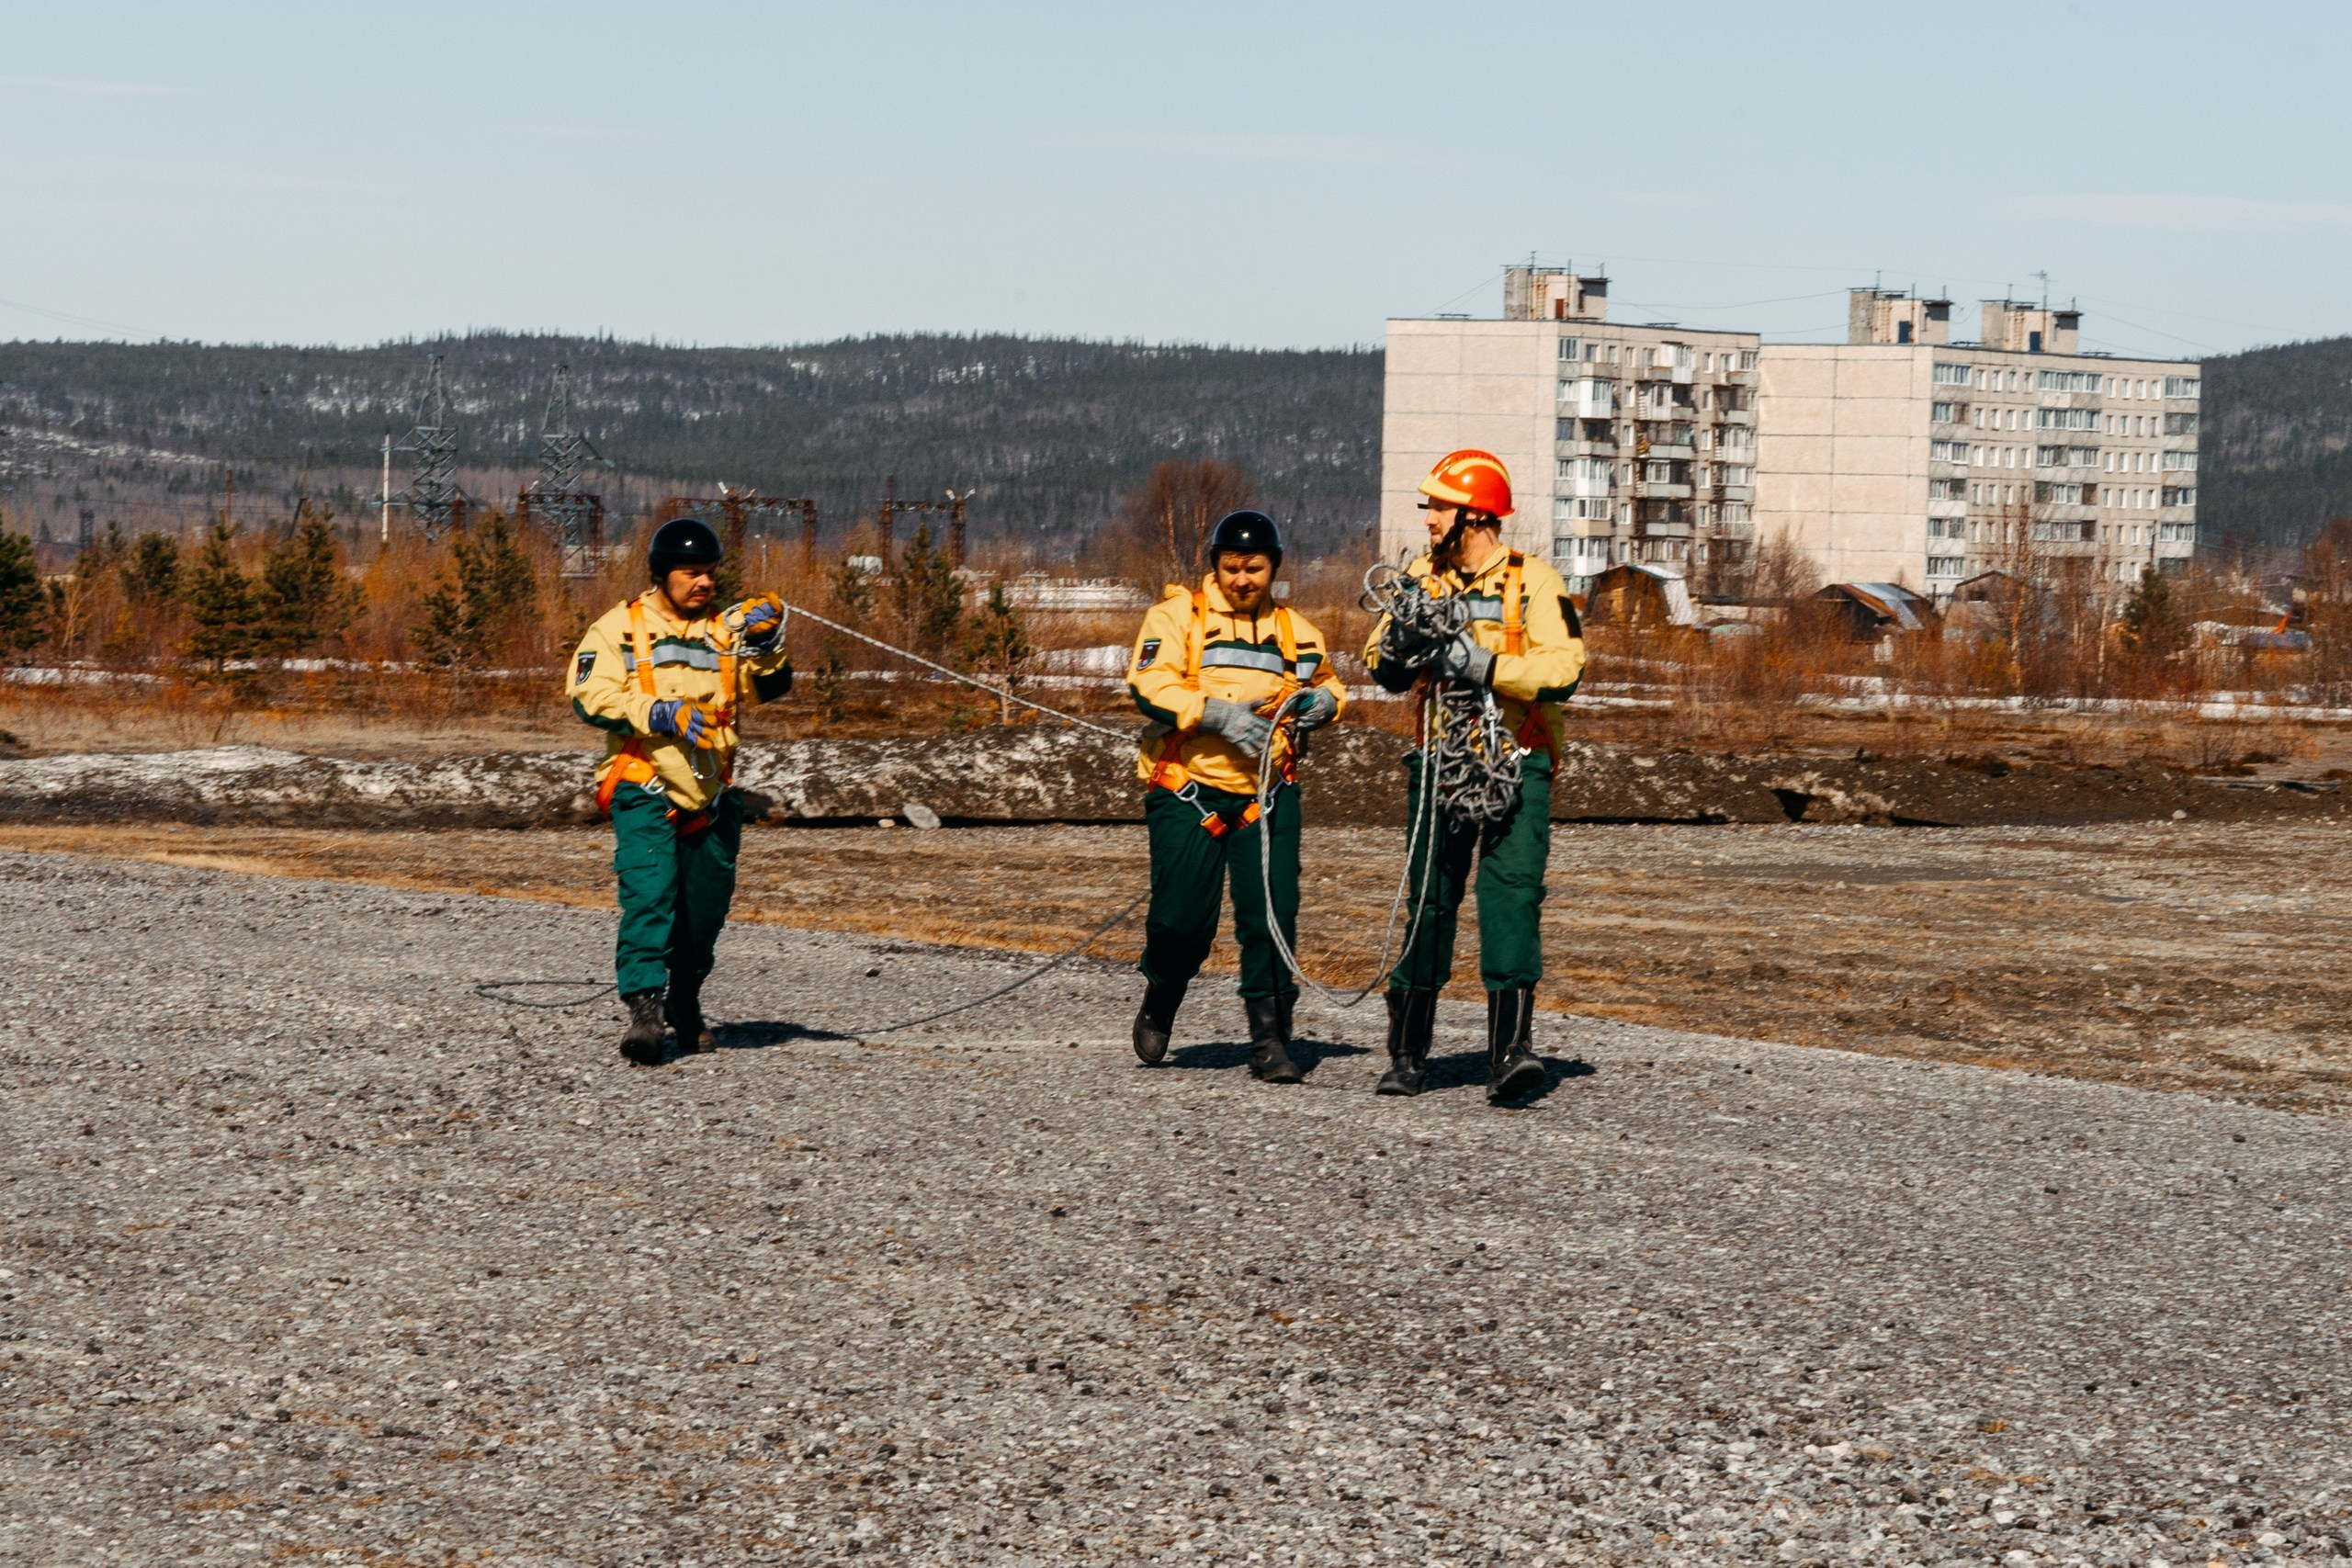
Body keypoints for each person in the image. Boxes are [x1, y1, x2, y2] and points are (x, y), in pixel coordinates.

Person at [1363, 450, 1586, 1103]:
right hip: (1439, 762)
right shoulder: (1418, 579)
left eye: (1437, 505)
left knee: (1511, 896)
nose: (1427, 518)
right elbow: (1380, 661)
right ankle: (1407, 1054)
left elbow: (1565, 668)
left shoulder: (1536, 583)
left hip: (1515, 761)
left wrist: (1486, 665)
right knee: (1429, 902)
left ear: (1474, 516)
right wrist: (1404, 646)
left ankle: (1510, 1052)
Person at [1125, 510, 1350, 1081]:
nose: (1243, 579)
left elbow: (1325, 682)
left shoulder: (1297, 630)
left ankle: (1270, 1038)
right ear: (1215, 568)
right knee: (1181, 921)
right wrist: (1214, 714)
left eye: (1255, 568)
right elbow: (1149, 683)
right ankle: (1163, 991)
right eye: (1232, 568)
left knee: (1270, 916)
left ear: (1273, 567)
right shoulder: (1176, 617)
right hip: (1188, 792)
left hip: (1266, 796)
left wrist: (1326, 704)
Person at [565, 517, 793, 1065]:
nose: (704, 583)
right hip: (644, 784)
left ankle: (685, 1000)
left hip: (712, 794)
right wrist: (657, 711)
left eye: (710, 574)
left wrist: (766, 645)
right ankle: (646, 1008)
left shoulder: (724, 632)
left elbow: (770, 689)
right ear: (663, 575)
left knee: (704, 912)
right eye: (692, 573)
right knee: (650, 893)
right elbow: (586, 695)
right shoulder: (619, 627)